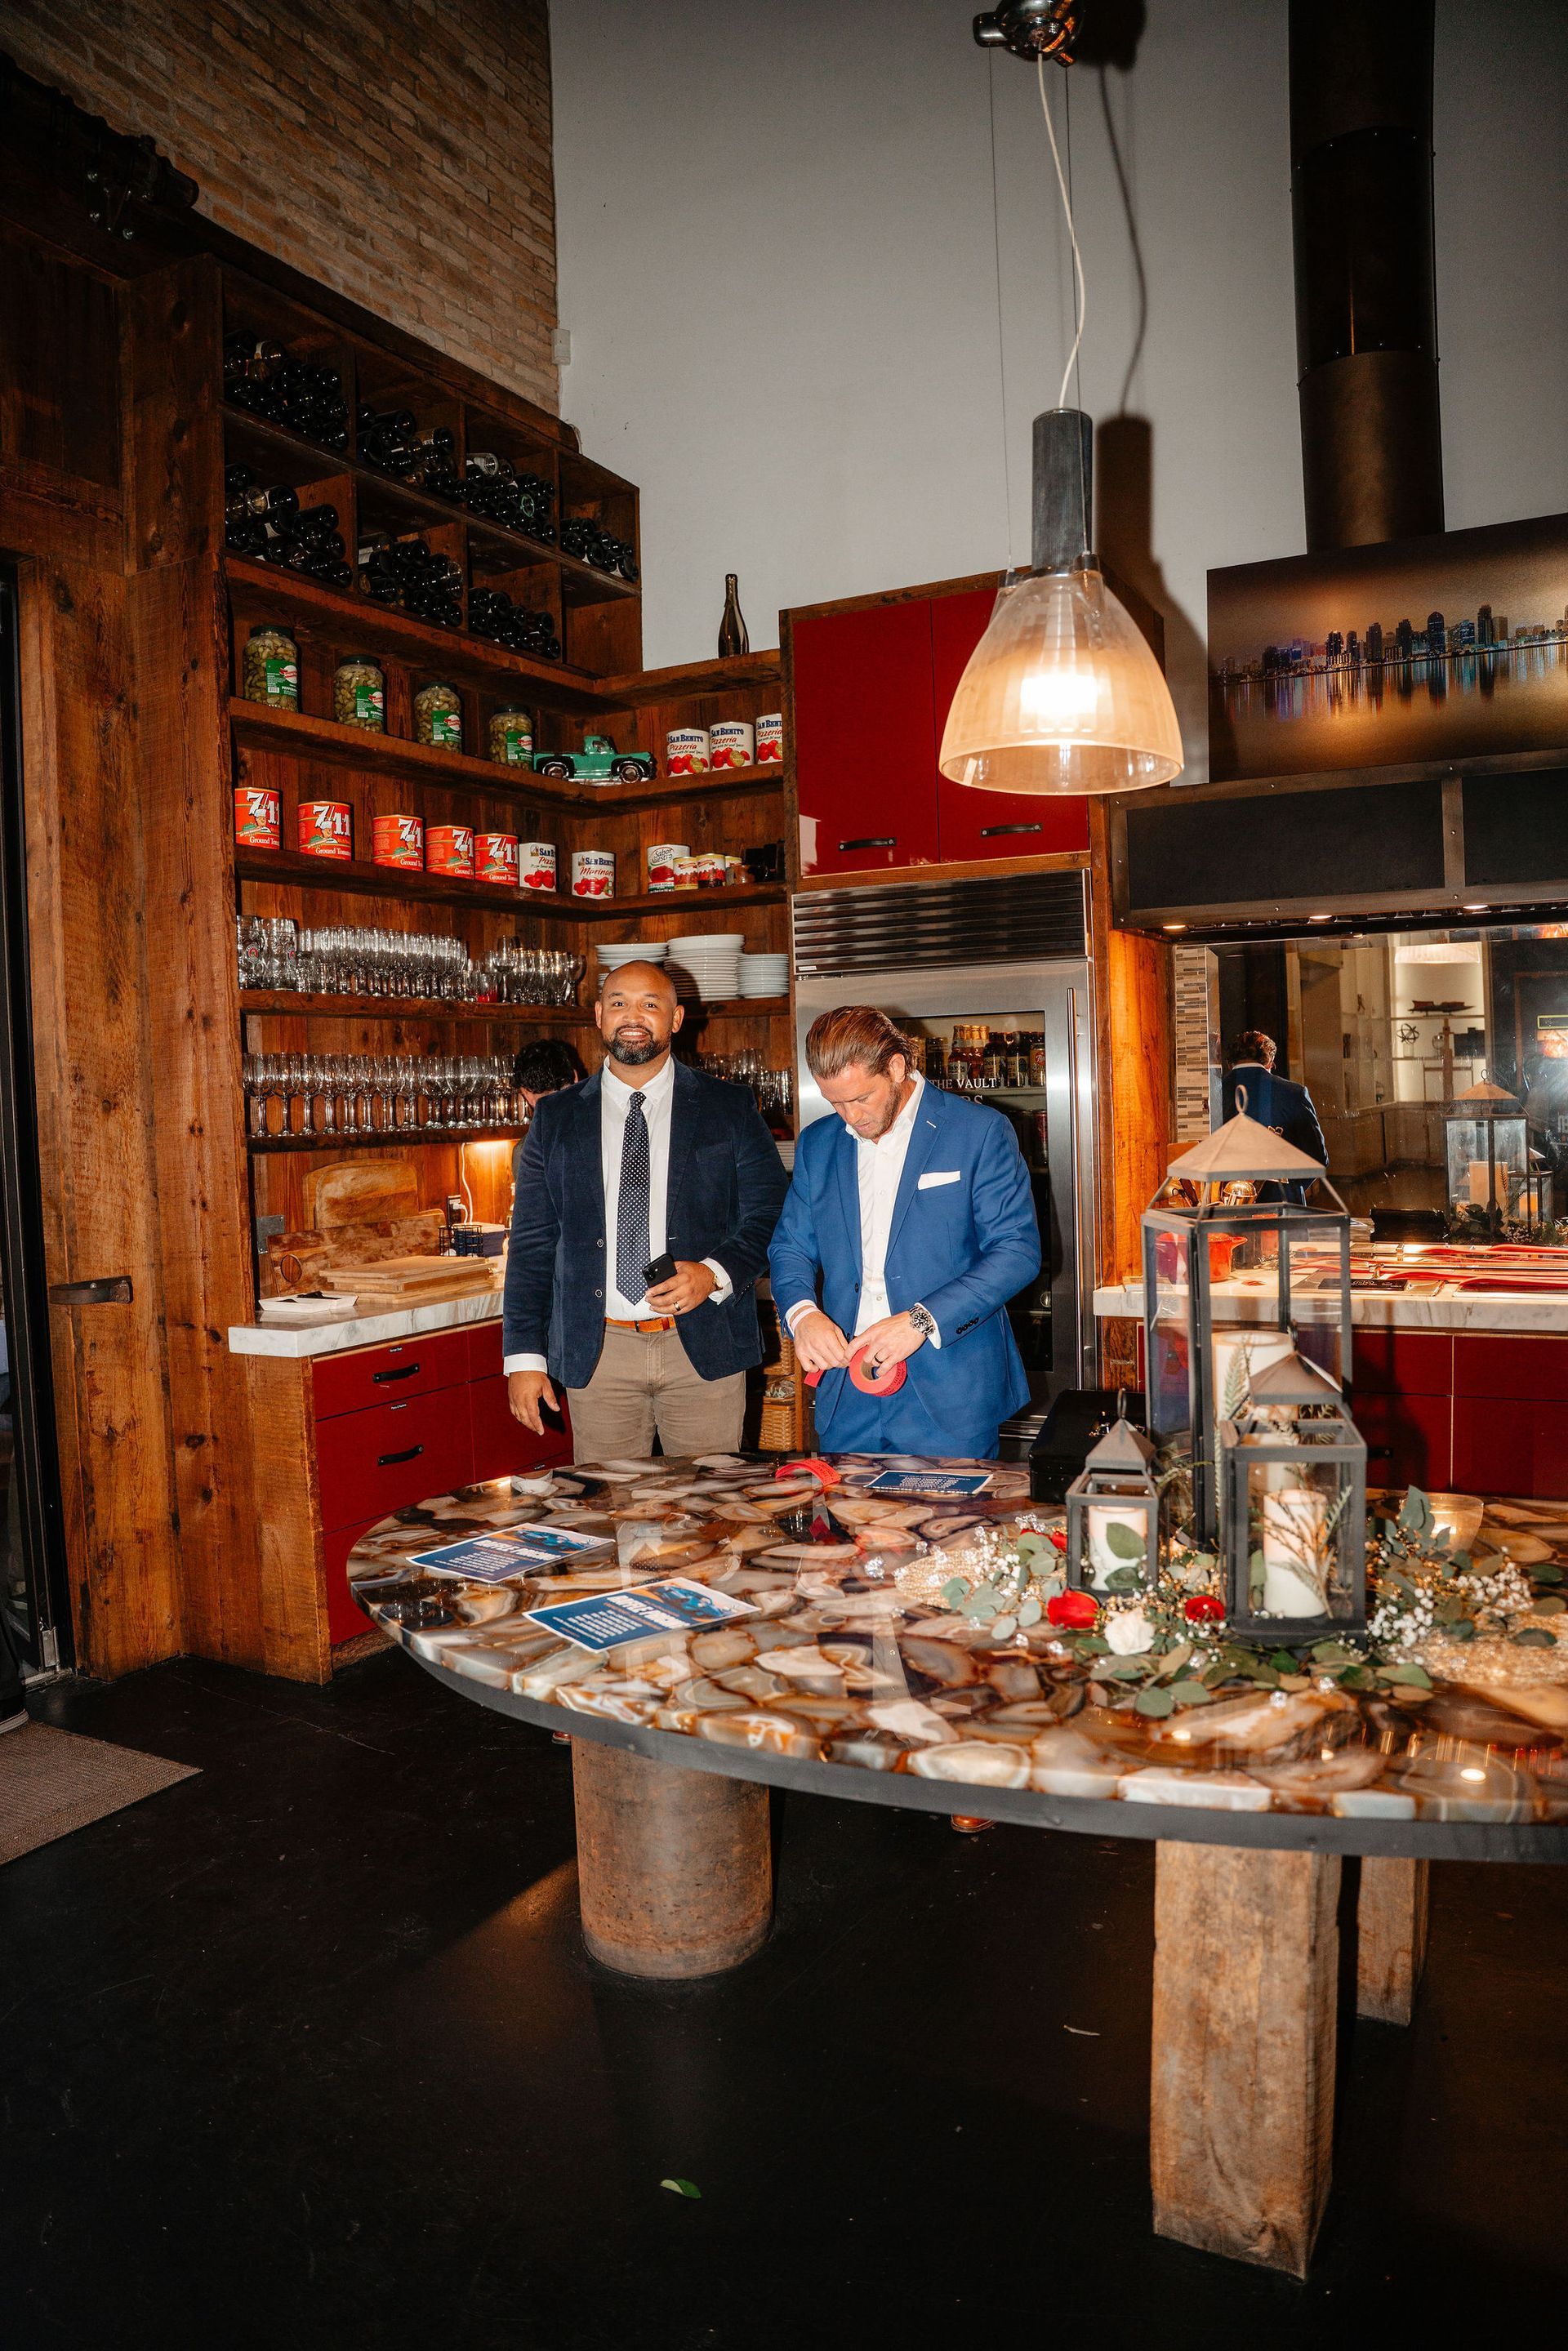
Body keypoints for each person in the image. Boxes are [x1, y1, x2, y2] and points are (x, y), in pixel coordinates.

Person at [504, 961, 790, 1459]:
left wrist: (713, 1272)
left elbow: (771, 1213)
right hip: (600, 1352)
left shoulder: (729, 1107)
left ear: (676, 1019)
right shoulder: (555, 1117)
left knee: (709, 1518)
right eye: (618, 1003)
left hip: (702, 1344)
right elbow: (532, 1243)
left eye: (649, 1004)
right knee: (613, 1516)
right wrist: (524, 1358)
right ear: (597, 1015)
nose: (632, 1016)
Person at [768, 1006, 1041, 1461]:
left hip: (949, 1388)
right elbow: (791, 1246)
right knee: (851, 1526)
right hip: (847, 1392)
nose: (849, 1116)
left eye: (860, 1099)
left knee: (953, 1528)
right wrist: (802, 1316)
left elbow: (1016, 1252)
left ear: (897, 1067)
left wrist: (920, 1320)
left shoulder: (978, 1131)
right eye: (834, 1102)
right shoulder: (819, 1142)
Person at [1223, 1029, 1328, 1164]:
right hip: (1280, 1184)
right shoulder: (1294, 1093)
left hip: (1222, 1184)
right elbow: (1317, 1157)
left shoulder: (1213, 1094)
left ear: (1229, 1063)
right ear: (1269, 1062)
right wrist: (1292, 1184)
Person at [510, 1037, 581, 1191]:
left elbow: (531, 1212)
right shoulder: (609, 1126)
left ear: (527, 1095)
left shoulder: (526, 1152)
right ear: (575, 1078)